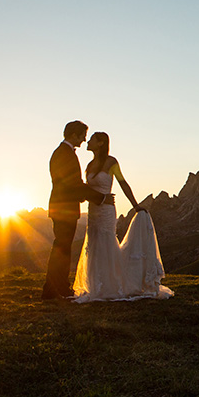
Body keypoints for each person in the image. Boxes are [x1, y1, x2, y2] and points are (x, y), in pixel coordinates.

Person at [72, 131, 174, 302]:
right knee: (94, 242)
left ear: (101, 143)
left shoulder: (111, 162)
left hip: (106, 211)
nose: (88, 141)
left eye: (92, 139)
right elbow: (87, 189)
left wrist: (135, 205)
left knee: (106, 240)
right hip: (94, 210)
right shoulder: (89, 165)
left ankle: (112, 284)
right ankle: (97, 284)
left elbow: (123, 183)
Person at [42, 120, 113, 300]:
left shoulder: (62, 153)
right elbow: (73, 184)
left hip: (62, 207)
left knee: (61, 247)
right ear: (74, 135)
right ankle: (59, 289)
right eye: (82, 136)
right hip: (64, 208)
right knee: (62, 248)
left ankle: (51, 290)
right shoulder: (64, 154)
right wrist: (101, 198)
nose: (84, 140)